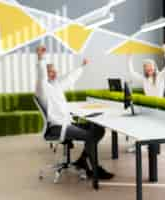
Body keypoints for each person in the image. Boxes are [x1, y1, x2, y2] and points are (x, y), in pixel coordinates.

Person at [35, 45, 114, 180]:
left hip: (67, 123)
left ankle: (83, 160)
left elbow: (70, 78)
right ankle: (94, 170)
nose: (54, 73)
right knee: (90, 136)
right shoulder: (42, 88)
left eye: (54, 71)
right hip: (58, 128)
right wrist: (41, 58)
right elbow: (42, 76)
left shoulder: (56, 86)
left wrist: (82, 67)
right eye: (50, 72)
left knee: (98, 129)